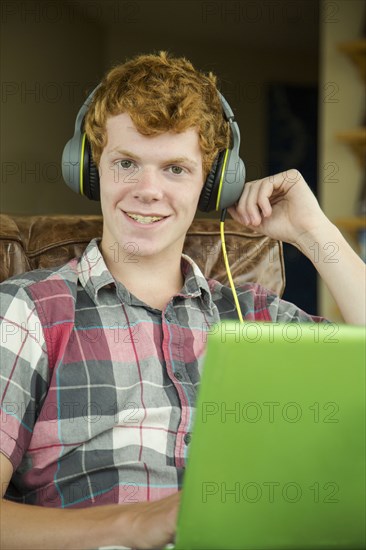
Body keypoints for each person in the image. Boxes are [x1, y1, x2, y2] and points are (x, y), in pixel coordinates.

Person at [0, 51, 364, 550]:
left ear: (213, 183)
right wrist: (133, 524)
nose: (148, 191)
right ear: (89, 169)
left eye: (175, 169)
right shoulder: (28, 312)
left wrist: (313, 230)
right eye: (126, 163)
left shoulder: (251, 313)